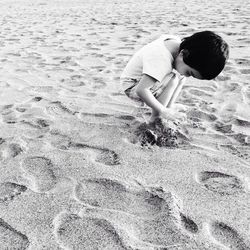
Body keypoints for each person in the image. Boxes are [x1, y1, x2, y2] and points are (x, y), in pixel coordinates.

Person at [120, 31, 229, 122]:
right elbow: (141, 90)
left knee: (180, 77)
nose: (188, 76)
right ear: (183, 53)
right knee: (173, 79)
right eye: (190, 72)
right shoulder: (161, 59)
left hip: (140, 80)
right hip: (132, 86)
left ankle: (169, 106)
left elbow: (157, 37)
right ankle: (156, 117)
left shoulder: (175, 42)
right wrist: (163, 111)